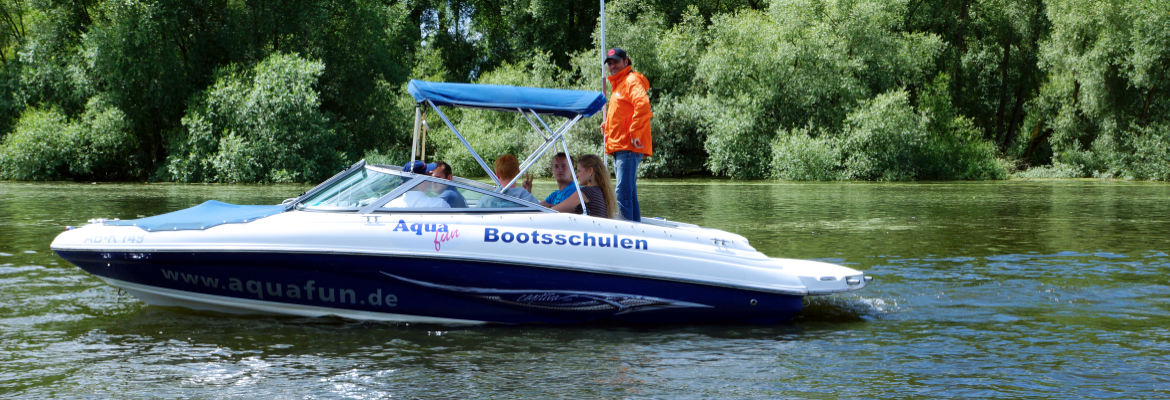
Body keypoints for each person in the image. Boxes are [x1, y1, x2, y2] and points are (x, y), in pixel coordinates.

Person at [601, 47, 652, 222]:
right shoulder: (619, 85)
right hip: (621, 147)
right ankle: (635, 231)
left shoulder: (631, 81)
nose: (612, 66)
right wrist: (607, 126)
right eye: (610, 63)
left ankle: (625, 233)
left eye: (616, 62)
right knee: (629, 194)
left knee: (622, 194)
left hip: (628, 147)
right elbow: (622, 115)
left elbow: (643, 105)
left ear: (626, 61)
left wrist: (635, 133)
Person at [551, 154, 616, 218]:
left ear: (590, 171)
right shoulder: (600, 192)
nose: (577, 175)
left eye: (579, 171)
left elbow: (553, 211)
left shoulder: (586, 192)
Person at [385, 161, 450, 208]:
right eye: (429, 174)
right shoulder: (440, 205)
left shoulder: (389, 206)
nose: (432, 177)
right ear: (420, 180)